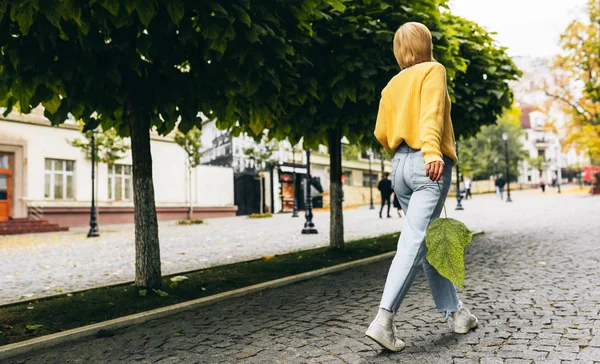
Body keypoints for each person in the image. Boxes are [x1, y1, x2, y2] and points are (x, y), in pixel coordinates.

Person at [368, 22, 478, 352]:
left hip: (400, 166)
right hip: (426, 164)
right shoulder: (433, 70)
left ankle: (457, 314)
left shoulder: (391, 86)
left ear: (399, 51)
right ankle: (383, 320)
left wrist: (402, 146)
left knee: (428, 241)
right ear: (426, 44)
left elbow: (381, 133)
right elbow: (432, 113)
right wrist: (431, 150)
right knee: (414, 240)